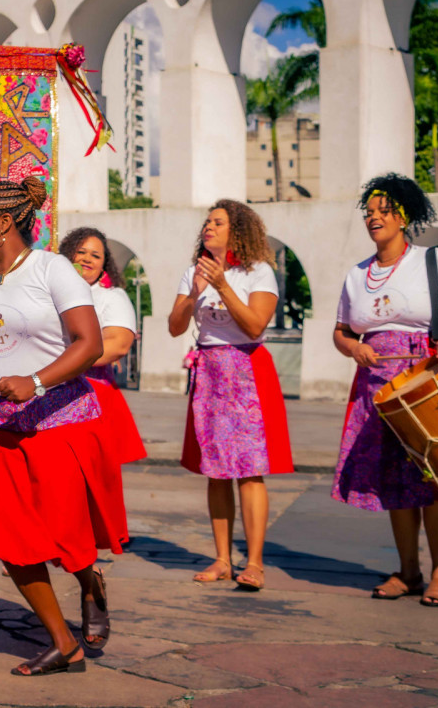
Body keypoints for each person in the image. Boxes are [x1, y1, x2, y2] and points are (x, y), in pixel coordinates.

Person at [0, 177, 127, 676]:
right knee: (11, 540)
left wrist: (35, 381)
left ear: (4, 223)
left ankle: (89, 581)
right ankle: (64, 643)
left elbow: (89, 343)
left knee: (63, 535)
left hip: (56, 423)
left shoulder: (52, 269)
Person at [332, 173, 438, 607]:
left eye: (383, 211)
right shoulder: (357, 274)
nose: (374, 217)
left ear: (403, 216)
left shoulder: (432, 262)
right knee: (394, 484)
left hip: (426, 379)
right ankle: (408, 572)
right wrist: (353, 348)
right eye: (369, 211)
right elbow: (341, 331)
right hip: (377, 387)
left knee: (435, 478)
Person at [168, 199, 294, 591]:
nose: (208, 227)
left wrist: (222, 285)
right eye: (207, 221)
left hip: (246, 371)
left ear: (236, 230)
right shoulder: (194, 271)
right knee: (215, 471)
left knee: (250, 470)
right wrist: (194, 292)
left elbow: (255, 325)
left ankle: (254, 563)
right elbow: (175, 327)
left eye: (218, 222)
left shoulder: (258, 272)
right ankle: (222, 559)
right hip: (209, 373)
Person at [60, 227, 146, 465]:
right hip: (47, 387)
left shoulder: (111, 297)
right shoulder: (47, 292)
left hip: (91, 393)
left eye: (96, 255)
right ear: (68, 255)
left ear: (104, 265)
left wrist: (62, 364)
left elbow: (118, 345)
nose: (87, 258)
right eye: (81, 252)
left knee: (91, 471)